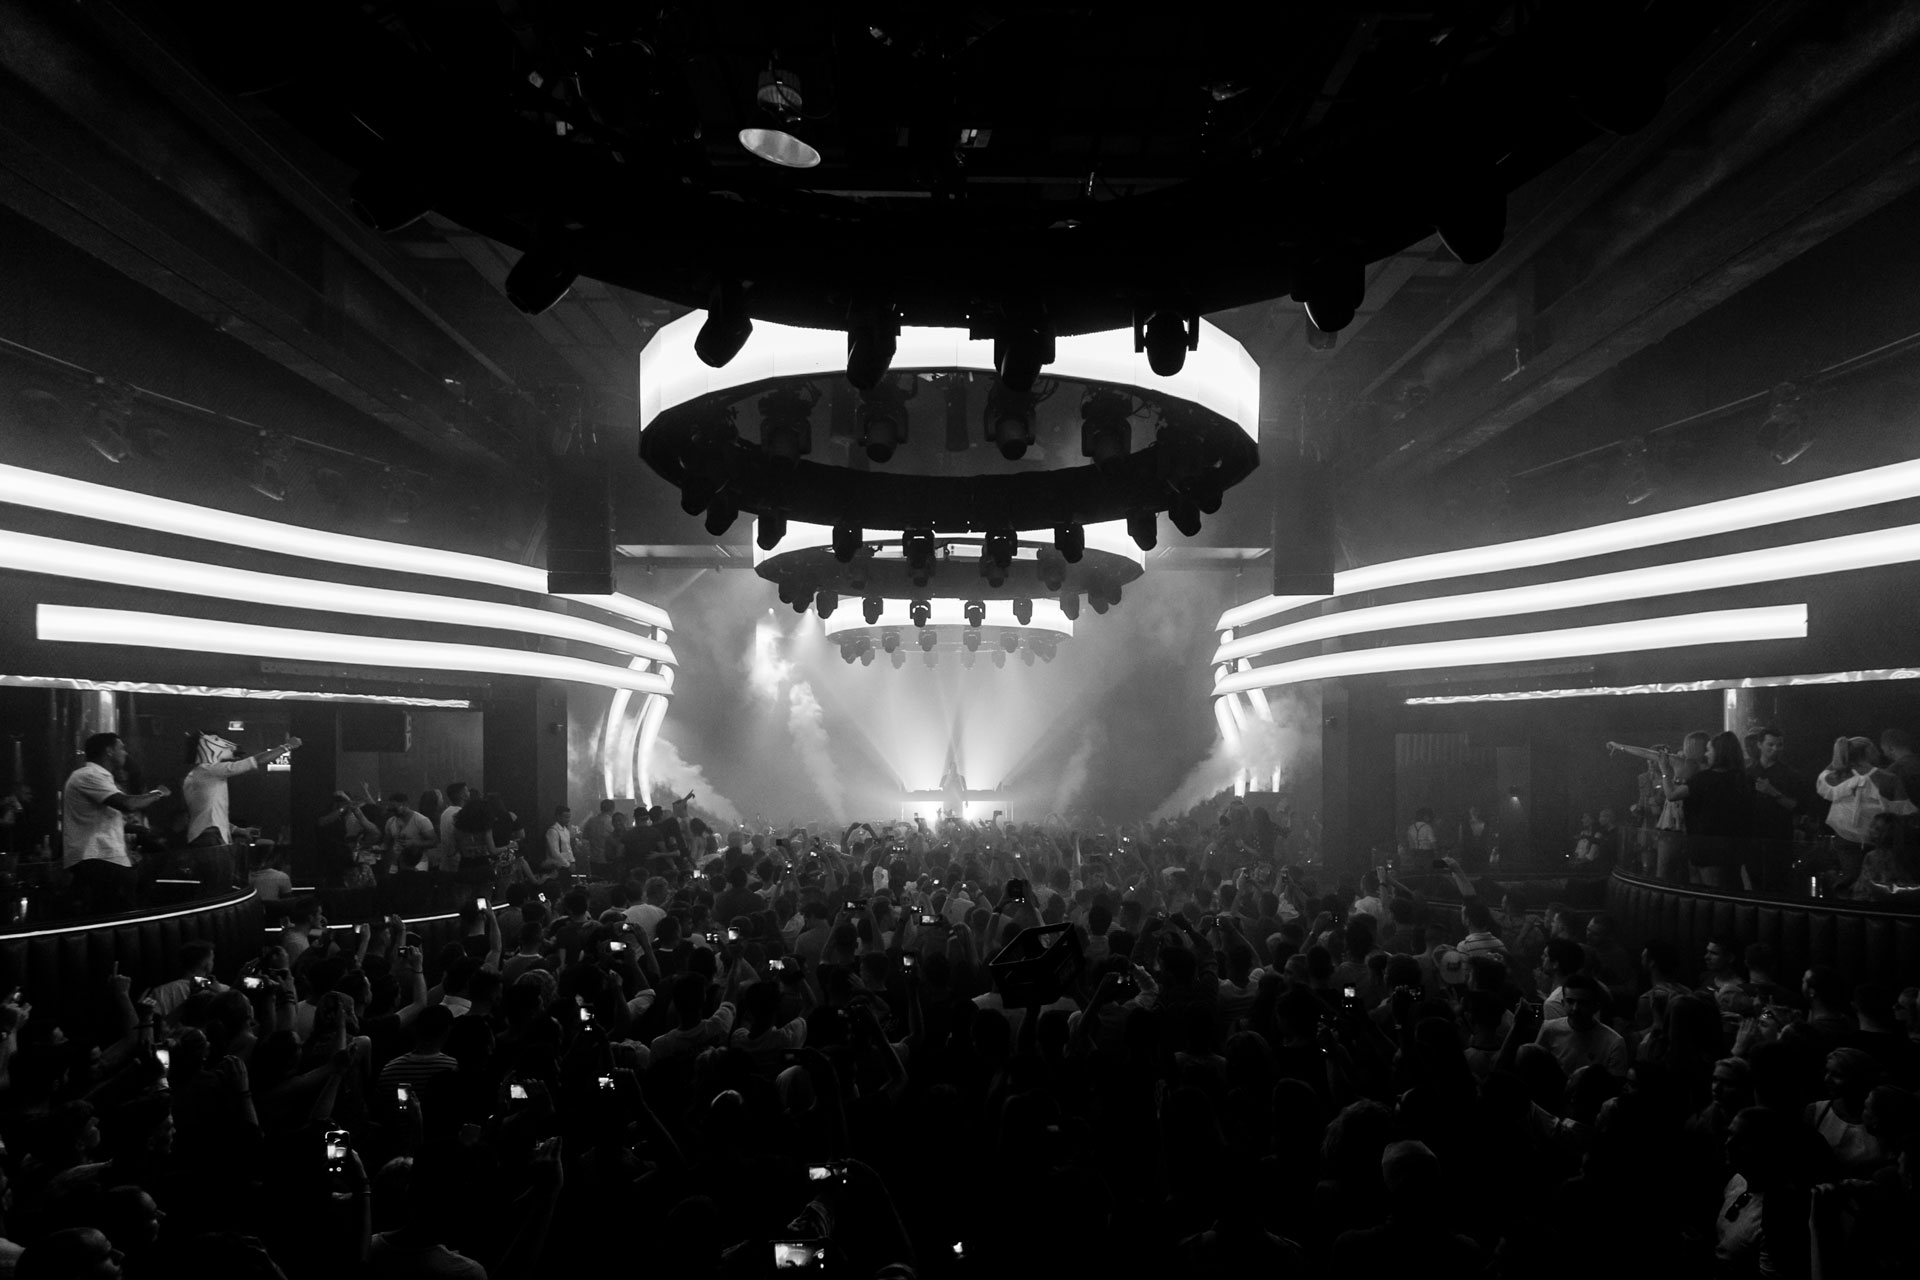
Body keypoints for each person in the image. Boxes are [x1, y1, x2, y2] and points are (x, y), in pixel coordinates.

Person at [61, 733, 170, 915]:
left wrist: (136, 830)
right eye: (121, 748)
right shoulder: (88, 775)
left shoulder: (101, 778)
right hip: (97, 858)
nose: (125, 753)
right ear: (109, 751)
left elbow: (101, 820)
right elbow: (127, 804)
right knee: (115, 918)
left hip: (105, 858)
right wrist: (157, 793)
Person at [180, 730, 299, 847]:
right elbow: (256, 761)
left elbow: (211, 816)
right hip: (210, 837)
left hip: (204, 835)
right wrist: (287, 747)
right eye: (216, 739)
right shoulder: (209, 770)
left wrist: (239, 830)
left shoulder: (195, 775)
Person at [1667, 731, 1752, 889]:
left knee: (1708, 889)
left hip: (1705, 843)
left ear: (1719, 753)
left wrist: (1665, 771)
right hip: (1733, 844)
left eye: (1709, 750)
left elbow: (1672, 795)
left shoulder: (1704, 778)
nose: (1706, 754)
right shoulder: (1743, 778)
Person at [1535, 974, 1628, 1077]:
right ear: (1563, 1003)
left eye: (1582, 1003)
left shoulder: (1613, 1042)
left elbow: (1615, 1083)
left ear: (1596, 1006)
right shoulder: (1549, 1030)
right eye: (1570, 1001)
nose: (1575, 1008)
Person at [1746, 728, 1800, 892]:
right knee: (1755, 880)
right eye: (1770, 745)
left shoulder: (1790, 774)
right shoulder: (1748, 773)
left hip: (1779, 837)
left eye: (1779, 745)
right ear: (1759, 745)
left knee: (1778, 883)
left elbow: (1796, 806)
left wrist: (1772, 792)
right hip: (1753, 836)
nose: (1775, 749)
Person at [381, 794, 437, 873]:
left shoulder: (421, 820)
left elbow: (434, 842)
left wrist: (414, 843)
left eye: (395, 808)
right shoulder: (391, 821)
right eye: (391, 809)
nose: (393, 811)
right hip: (396, 862)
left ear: (404, 804)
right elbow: (387, 843)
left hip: (418, 862)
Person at [541, 807, 575, 882]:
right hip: (556, 867)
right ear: (558, 817)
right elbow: (554, 852)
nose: (568, 819)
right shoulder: (553, 831)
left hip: (566, 866)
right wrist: (567, 864)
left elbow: (568, 848)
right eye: (566, 817)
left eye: (569, 817)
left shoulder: (566, 831)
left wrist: (572, 861)